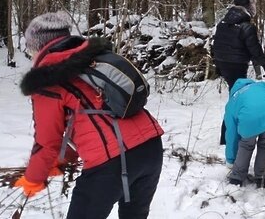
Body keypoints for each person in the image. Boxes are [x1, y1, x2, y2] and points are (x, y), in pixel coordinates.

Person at [15, 11, 164, 219]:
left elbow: (48, 141)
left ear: (37, 46)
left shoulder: (46, 81)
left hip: (112, 163)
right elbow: (83, 118)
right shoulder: (94, 59)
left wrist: (33, 178)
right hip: (151, 147)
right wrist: (60, 160)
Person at [224, 78, 265, 188]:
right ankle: (262, 177)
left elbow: (231, 135)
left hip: (249, 121)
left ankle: (237, 178)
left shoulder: (232, 102)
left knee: (246, 145)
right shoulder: (261, 85)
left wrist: (230, 160)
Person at [212, 0, 265, 89]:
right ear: (248, 6)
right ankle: (235, 104)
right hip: (237, 65)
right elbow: (254, 48)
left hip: (222, 63)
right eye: (252, 5)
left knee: (233, 89)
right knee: (238, 91)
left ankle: (234, 103)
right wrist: (264, 63)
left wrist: (218, 61)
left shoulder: (223, 22)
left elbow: (217, 43)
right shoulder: (246, 26)